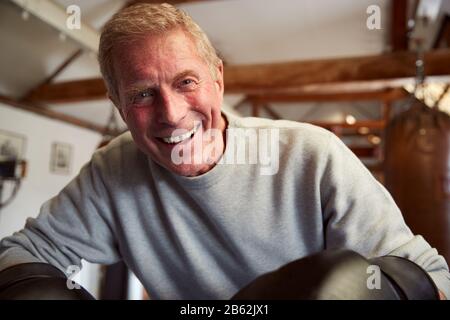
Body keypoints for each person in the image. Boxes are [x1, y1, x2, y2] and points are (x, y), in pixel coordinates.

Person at [0, 3, 449, 300]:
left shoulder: (312, 157)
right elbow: (22, 252)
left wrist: (379, 291)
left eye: (186, 82)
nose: (172, 114)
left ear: (218, 78)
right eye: (141, 95)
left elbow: (435, 276)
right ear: (118, 105)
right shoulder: (112, 171)